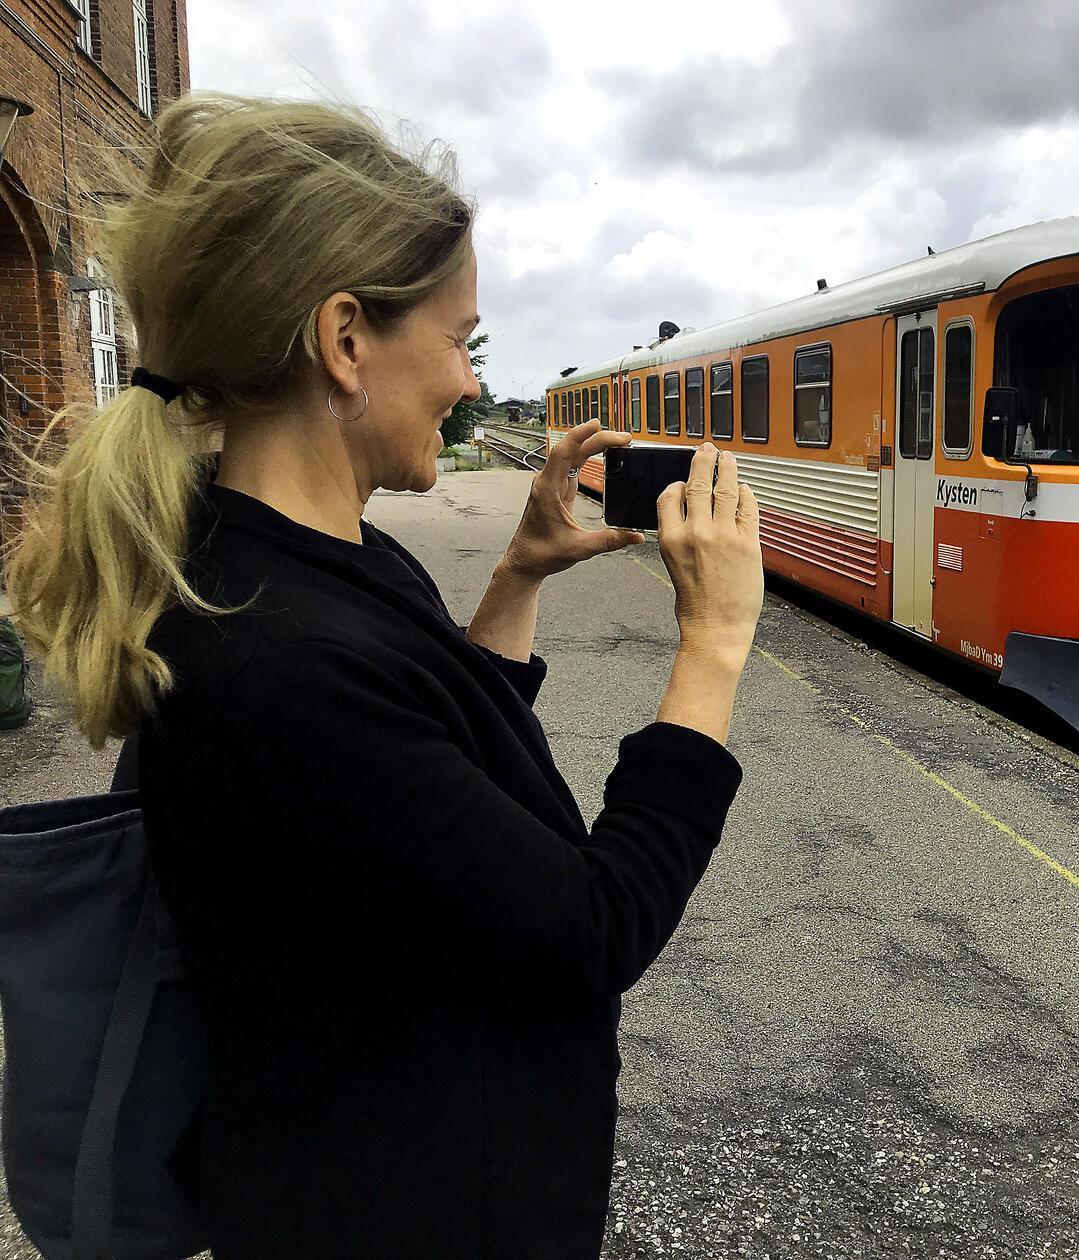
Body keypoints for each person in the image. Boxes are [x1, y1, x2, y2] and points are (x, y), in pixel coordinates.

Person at [3, 94, 763, 1257]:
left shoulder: (288, 561)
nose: (471, 383)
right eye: (460, 340)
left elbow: (427, 779)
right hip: (402, 1208)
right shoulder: (283, 664)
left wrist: (517, 575)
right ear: (346, 340)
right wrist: (713, 644)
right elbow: (594, 929)